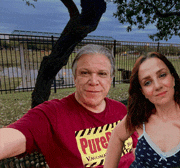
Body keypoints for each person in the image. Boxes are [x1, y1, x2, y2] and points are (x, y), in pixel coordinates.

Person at [0, 44, 137, 168]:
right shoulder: (52, 114)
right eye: (85, 73)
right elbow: (12, 138)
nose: (94, 81)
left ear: (110, 79)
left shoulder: (120, 110)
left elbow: (134, 149)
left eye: (102, 74)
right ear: (74, 78)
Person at [104, 52, 180, 168]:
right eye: (147, 82)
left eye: (162, 75)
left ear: (173, 78)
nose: (157, 86)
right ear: (143, 92)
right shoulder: (140, 117)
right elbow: (117, 135)